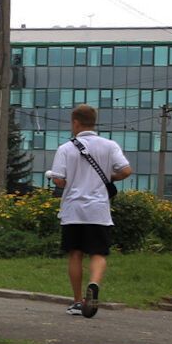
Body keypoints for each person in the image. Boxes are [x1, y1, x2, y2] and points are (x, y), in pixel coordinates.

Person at [47, 104, 131, 318]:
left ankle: (77, 302)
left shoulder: (66, 148)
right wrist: (110, 177)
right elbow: (126, 170)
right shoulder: (109, 145)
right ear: (94, 122)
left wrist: (52, 176)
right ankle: (93, 283)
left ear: (76, 122)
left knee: (75, 254)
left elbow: (60, 180)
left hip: (73, 209)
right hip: (98, 210)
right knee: (98, 253)